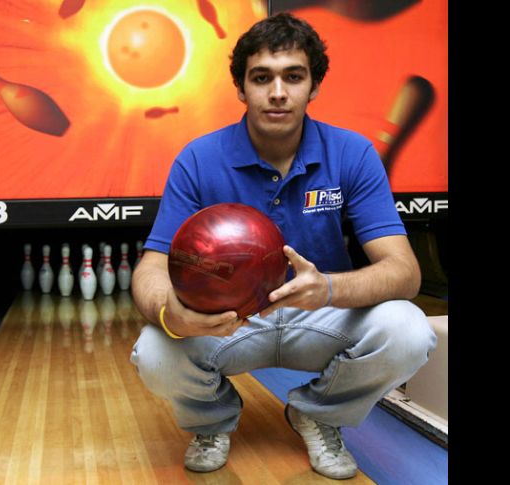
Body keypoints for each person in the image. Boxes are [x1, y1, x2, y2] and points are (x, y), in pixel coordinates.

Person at [129, 12, 437, 480]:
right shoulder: (198, 159)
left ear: (313, 87)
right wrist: (174, 315)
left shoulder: (352, 154)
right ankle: (212, 421)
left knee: (410, 330)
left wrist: (327, 288)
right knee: (154, 350)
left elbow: (405, 272)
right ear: (241, 88)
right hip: (228, 325)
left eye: (293, 77)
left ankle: (317, 411)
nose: (277, 92)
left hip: (321, 316)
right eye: (261, 78)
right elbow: (150, 270)